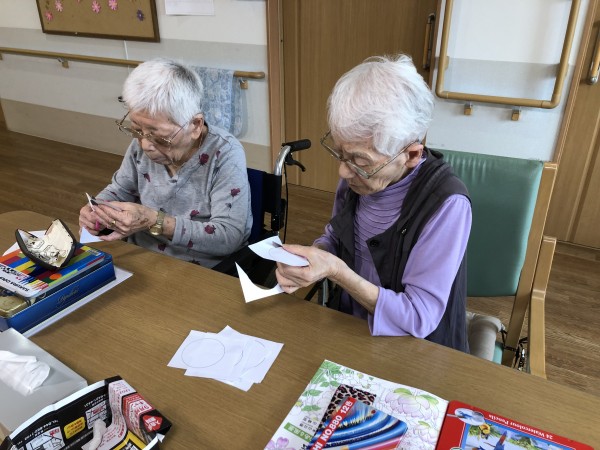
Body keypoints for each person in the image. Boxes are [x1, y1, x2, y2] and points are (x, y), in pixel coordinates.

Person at [275, 54, 472, 352]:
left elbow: (419, 317)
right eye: (341, 154)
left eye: (359, 160)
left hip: (415, 349)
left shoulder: (447, 204)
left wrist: (335, 271)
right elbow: (336, 237)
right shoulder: (358, 176)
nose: (343, 171)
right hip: (351, 328)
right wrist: (313, 258)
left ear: (411, 155)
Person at [79, 58, 252, 268]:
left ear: (195, 125)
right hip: (140, 254)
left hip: (200, 266)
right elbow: (121, 189)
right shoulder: (143, 142)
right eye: (136, 130)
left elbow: (228, 237)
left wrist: (154, 221)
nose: (145, 145)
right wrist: (98, 209)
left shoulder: (225, 153)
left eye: (160, 138)